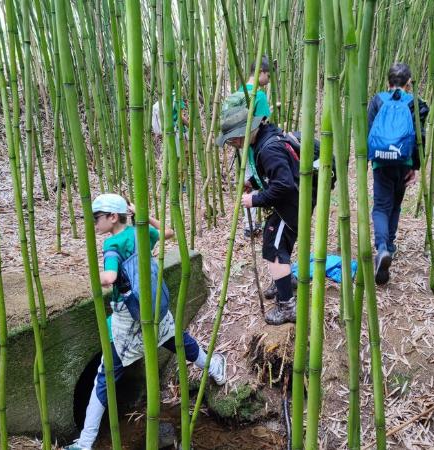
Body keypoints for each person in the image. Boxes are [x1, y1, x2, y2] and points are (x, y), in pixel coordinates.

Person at [67, 193, 226, 450]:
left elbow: (110, 276)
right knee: (178, 341)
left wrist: (99, 279)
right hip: (154, 309)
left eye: (97, 218)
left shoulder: (113, 245)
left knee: (104, 377)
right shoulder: (140, 234)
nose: (94, 223)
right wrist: (142, 215)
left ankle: (85, 443)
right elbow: (170, 233)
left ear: (113, 217)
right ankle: (214, 367)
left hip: (130, 319)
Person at [216, 102, 301, 325]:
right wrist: (253, 182)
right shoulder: (264, 138)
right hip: (293, 200)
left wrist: (254, 199)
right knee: (277, 242)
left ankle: (287, 307)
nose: (234, 144)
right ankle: (285, 280)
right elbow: (276, 173)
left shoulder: (268, 148)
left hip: (292, 203)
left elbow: (284, 185)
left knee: (274, 246)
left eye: (234, 138)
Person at [367, 62, 429, 285]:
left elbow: (370, 130)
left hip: (381, 163)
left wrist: (369, 158)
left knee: (380, 207)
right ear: (409, 83)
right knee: (395, 204)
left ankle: (382, 247)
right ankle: (389, 246)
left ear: (388, 82)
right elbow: (420, 137)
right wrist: (415, 167)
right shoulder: (415, 104)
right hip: (404, 161)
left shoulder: (377, 100)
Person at [238, 55, 272, 238]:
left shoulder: (240, 92)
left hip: (243, 148)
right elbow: (264, 123)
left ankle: (248, 225)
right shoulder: (258, 95)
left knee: (248, 183)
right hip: (258, 149)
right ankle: (268, 222)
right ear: (260, 72)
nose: (268, 80)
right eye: (268, 75)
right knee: (262, 182)